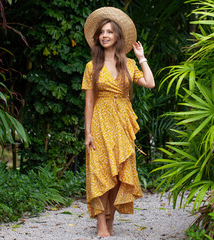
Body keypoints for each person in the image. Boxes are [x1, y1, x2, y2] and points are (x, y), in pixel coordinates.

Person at [82, 7, 155, 237]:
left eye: (109, 32)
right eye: (102, 32)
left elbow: (150, 83)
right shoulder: (91, 66)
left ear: (117, 37)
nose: (105, 35)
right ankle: (101, 224)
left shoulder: (128, 65)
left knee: (116, 176)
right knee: (100, 172)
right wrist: (87, 132)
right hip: (100, 122)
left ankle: (110, 220)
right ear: (98, 37)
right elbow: (89, 102)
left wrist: (141, 58)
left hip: (122, 122)